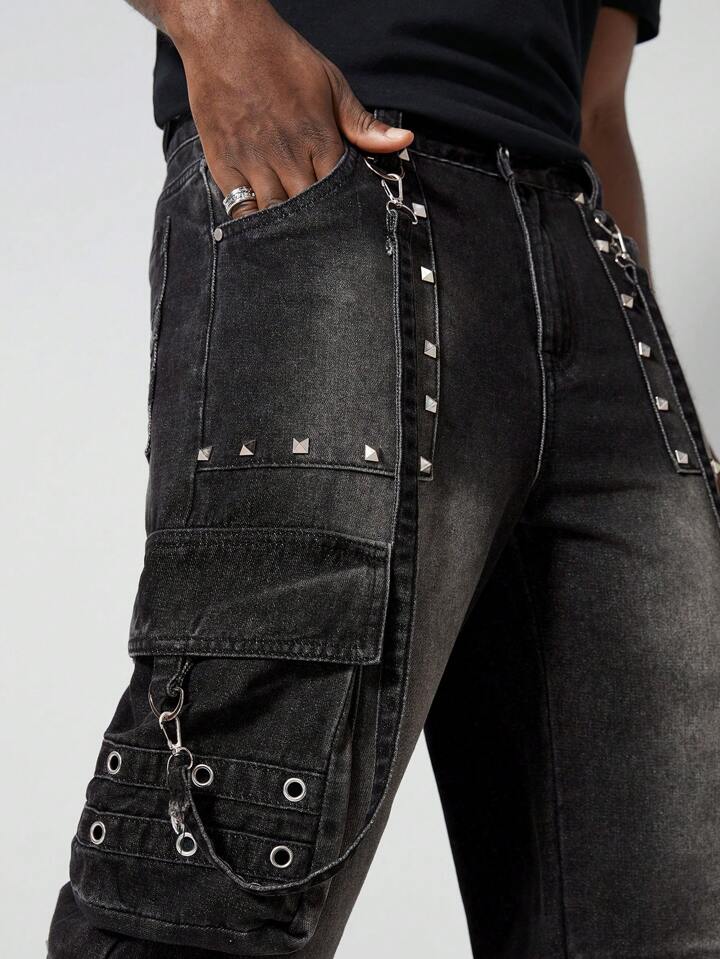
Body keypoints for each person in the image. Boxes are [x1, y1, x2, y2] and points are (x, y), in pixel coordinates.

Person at [48, 2, 720, 958]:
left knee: (670, 912)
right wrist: (220, 27)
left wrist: (644, 371)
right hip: (343, 186)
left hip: (586, 261)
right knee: (221, 890)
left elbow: (598, 100)